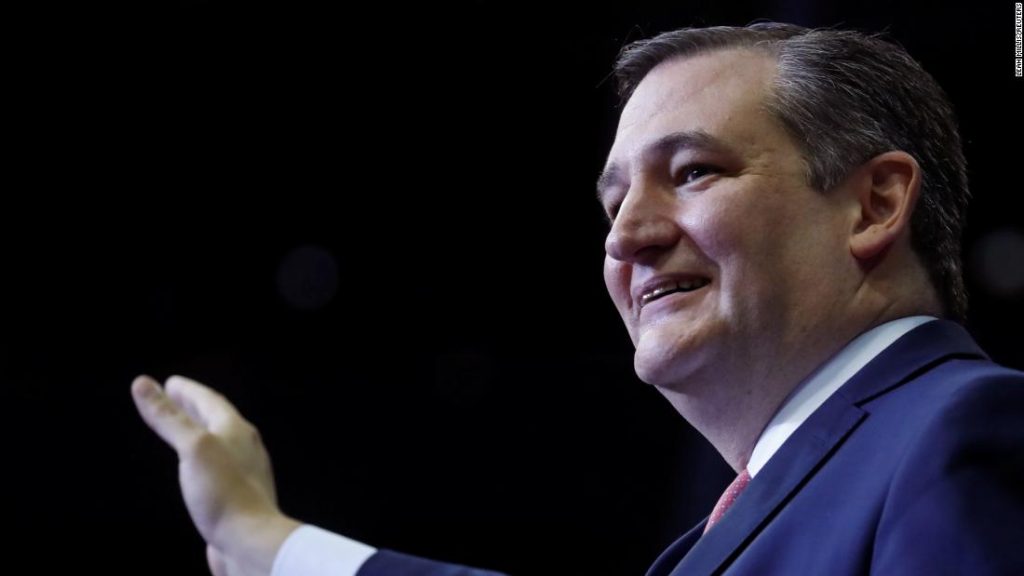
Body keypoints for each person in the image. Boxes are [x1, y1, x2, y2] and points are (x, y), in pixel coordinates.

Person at [131, 22, 1024, 576]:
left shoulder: (966, 428)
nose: (627, 237)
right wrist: (268, 543)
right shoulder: (741, 524)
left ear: (873, 205)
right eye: (613, 203)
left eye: (693, 171)